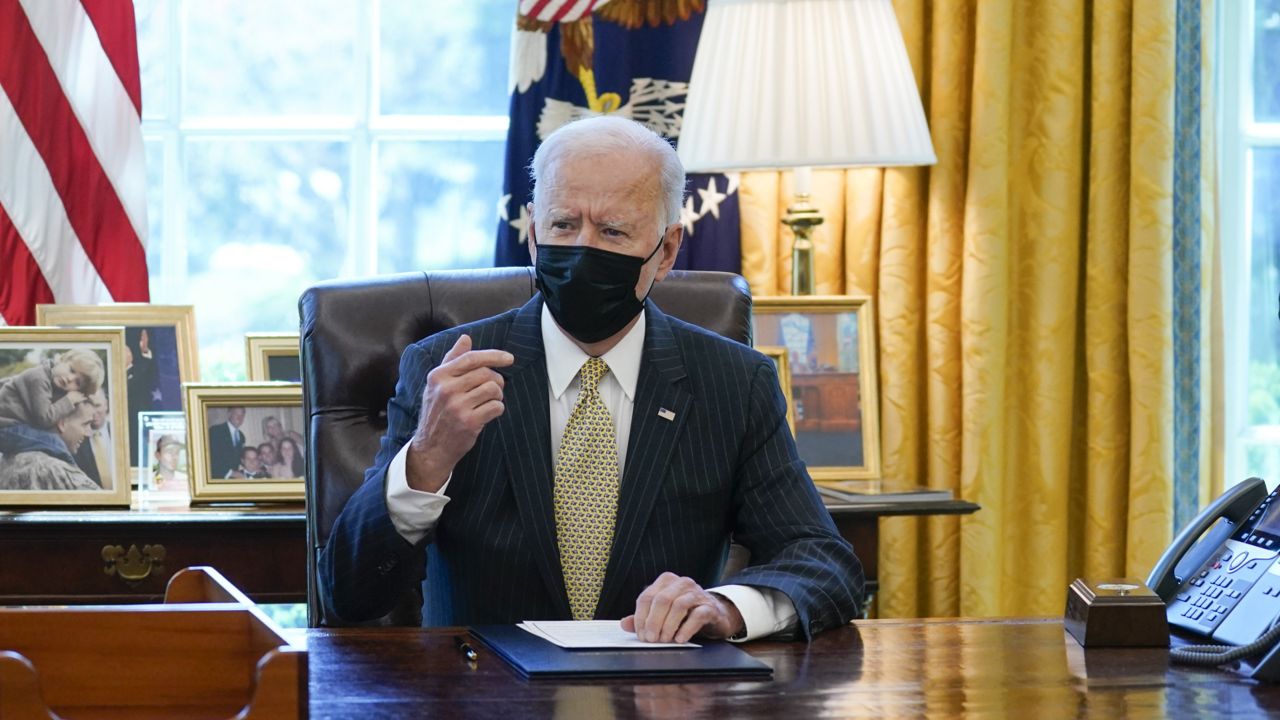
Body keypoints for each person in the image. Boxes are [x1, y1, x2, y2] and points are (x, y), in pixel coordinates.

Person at [320, 116, 863, 643]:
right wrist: (426, 461)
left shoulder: (732, 383)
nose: (582, 250)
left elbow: (821, 560)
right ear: (533, 235)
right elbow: (349, 594)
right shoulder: (446, 369)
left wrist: (725, 607)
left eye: (612, 231)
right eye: (562, 225)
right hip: (487, 696)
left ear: (666, 250)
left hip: (662, 696)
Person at [0, 349, 103, 459]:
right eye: (71, 370)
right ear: (61, 360)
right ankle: (71, 472)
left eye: (77, 382)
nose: (69, 378)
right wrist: (68, 401)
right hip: (5, 427)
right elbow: (44, 419)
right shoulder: (39, 378)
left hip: (12, 426)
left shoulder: (51, 380)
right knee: (54, 443)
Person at [0, 399, 99, 491]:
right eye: (85, 424)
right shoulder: (56, 471)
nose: (89, 433)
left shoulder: (7, 460)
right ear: (62, 423)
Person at [73, 389, 113, 488]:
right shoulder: (75, 441)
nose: (94, 412)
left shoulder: (120, 434)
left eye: (97, 405)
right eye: (89, 406)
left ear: (106, 405)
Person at [207, 406, 246, 478]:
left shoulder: (242, 436)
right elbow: (211, 456)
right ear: (229, 414)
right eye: (236, 414)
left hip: (234, 479)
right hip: (217, 477)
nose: (239, 418)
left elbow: (240, 458)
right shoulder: (216, 431)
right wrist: (230, 473)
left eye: (242, 415)